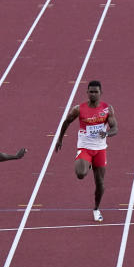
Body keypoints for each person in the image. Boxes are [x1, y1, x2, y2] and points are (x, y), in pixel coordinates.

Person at [54, 80, 118, 222]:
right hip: (85, 147)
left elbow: (115, 128)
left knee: (100, 184)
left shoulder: (107, 109)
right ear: (87, 92)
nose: (93, 94)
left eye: (96, 92)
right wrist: (60, 139)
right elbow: (66, 122)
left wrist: (106, 134)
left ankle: (96, 208)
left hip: (100, 149)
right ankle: (85, 163)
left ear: (101, 93)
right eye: (91, 91)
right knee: (81, 174)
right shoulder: (79, 109)